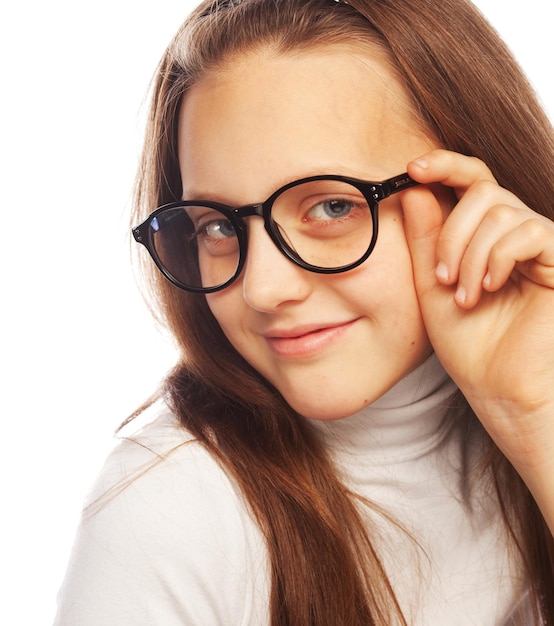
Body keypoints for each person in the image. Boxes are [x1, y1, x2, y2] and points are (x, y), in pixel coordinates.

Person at [53, 0, 554, 624]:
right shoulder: (169, 507)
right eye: (216, 224)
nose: (263, 289)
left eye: (332, 208)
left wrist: (538, 416)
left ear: (475, 191)